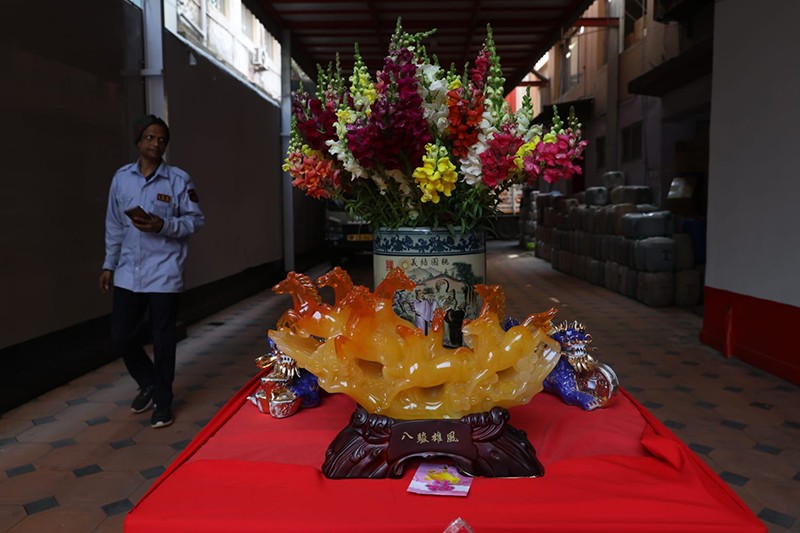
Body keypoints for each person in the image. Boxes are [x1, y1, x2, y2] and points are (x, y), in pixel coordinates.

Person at [99, 115, 204, 428]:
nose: (156, 143)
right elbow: (114, 225)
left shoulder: (179, 180)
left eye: (161, 139)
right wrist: (109, 264)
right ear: (138, 141)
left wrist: (164, 225)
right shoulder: (121, 179)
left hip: (164, 272)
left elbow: (195, 220)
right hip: (128, 272)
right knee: (120, 336)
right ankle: (148, 381)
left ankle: (162, 401)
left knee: (163, 340)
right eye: (149, 137)